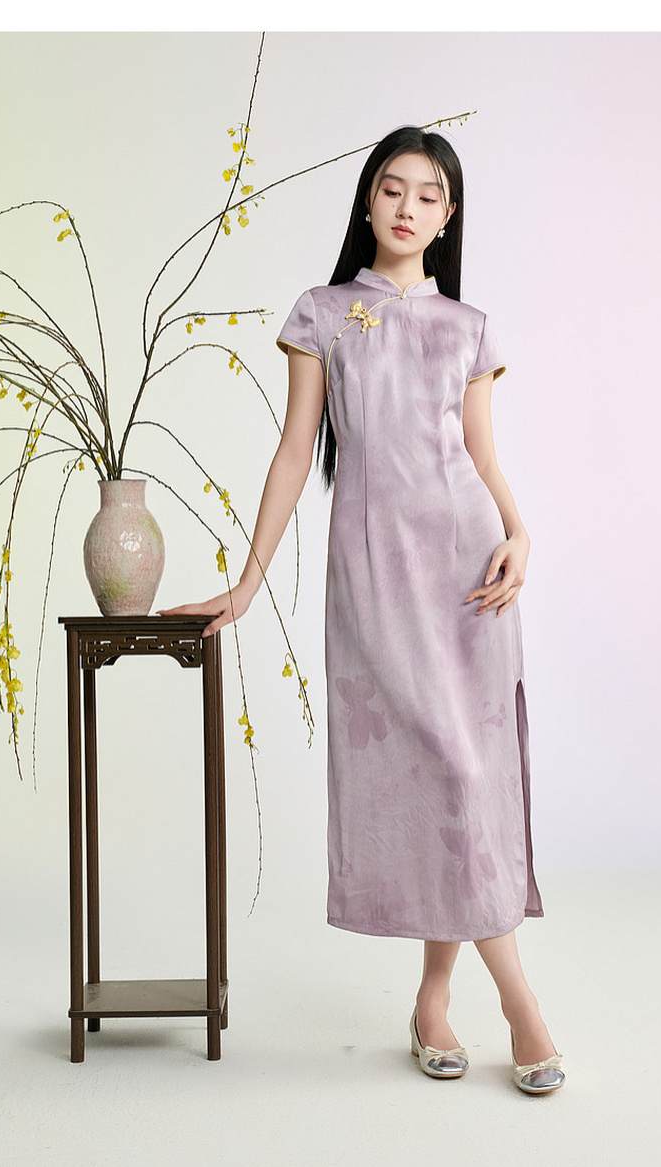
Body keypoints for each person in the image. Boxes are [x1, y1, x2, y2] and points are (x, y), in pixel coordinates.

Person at [157, 126, 565, 1094]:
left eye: (428, 195)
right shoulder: (323, 314)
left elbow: (481, 454)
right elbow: (294, 451)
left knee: (466, 778)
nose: (407, 207)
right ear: (368, 200)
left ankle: (440, 999)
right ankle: (518, 1003)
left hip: (470, 572)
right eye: (392, 188)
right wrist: (247, 582)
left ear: (448, 215)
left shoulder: (468, 326)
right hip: (377, 571)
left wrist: (520, 532)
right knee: (442, 773)